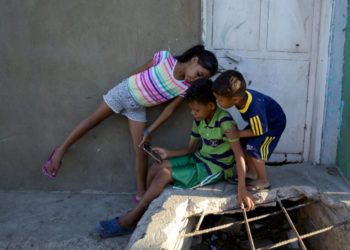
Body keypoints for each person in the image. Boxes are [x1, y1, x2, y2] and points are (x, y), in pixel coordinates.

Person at [42, 45, 218, 202]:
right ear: (194, 60)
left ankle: (140, 194)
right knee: (91, 122)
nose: (196, 79)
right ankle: (60, 151)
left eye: (201, 79)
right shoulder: (164, 58)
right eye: (199, 74)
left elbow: (168, 111)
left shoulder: (185, 87)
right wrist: (127, 87)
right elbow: (137, 72)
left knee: (141, 150)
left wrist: (150, 130)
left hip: (137, 108)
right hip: (123, 92)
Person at [96, 78, 255, 238]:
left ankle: (129, 220)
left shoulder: (225, 123)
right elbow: (190, 149)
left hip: (216, 168)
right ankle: (143, 211)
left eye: (196, 110)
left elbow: (239, 155)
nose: (193, 114)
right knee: (157, 166)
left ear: (211, 106)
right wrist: (168, 153)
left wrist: (242, 188)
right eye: (192, 110)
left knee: (164, 173)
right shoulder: (199, 120)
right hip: (199, 158)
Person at [212, 70, 286, 191]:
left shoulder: (254, 108)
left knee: (254, 148)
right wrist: (241, 135)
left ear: (235, 99)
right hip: (260, 123)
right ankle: (251, 173)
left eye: (220, 100)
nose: (218, 103)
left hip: (272, 125)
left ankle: (263, 180)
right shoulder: (240, 98)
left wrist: (238, 133)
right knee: (244, 142)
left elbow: (260, 130)